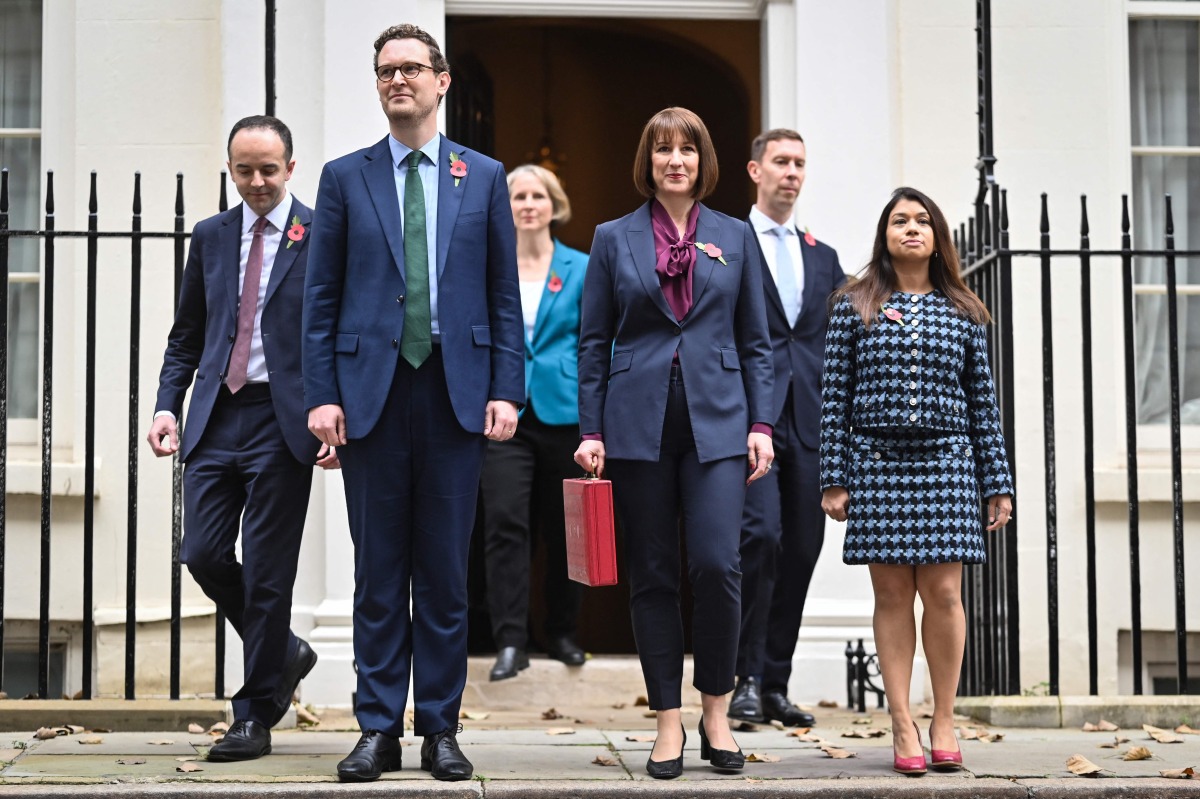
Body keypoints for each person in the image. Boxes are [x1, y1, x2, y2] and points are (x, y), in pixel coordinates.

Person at [303, 24, 524, 784]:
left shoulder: (483, 176)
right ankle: (375, 728)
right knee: (377, 571)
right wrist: (321, 396)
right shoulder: (343, 177)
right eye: (385, 71)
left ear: (441, 81)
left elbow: (503, 294)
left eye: (411, 69)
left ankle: (439, 728)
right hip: (371, 395)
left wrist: (506, 386)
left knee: (442, 571)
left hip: (457, 394)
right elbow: (321, 297)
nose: (398, 80)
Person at [574, 107, 775, 780]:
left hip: (720, 424)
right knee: (653, 573)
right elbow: (592, 342)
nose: (675, 160)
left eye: (687, 149)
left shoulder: (735, 237)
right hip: (636, 427)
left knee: (719, 564)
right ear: (648, 160)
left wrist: (762, 423)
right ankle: (666, 721)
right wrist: (591, 428)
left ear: (703, 159)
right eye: (662, 150)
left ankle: (715, 709)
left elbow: (756, 342)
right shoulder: (612, 237)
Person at [147, 115, 337, 762]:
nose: (256, 182)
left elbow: (338, 333)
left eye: (268, 169)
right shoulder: (210, 235)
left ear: (291, 166)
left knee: (268, 570)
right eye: (244, 170)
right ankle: (284, 652)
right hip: (215, 414)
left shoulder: (322, 234)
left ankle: (254, 712)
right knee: (201, 551)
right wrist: (166, 405)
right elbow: (187, 334)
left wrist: (337, 414)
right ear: (231, 169)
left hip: (285, 419)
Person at [819, 187, 1013, 776]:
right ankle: (902, 721)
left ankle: (944, 718)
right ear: (885, 234)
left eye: (922, 220)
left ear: (937, 237)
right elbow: (834, 399)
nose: (911, 228)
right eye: (900, 220)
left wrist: (996, 480)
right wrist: (834, 476)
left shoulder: (966, 310)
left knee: (945, 594)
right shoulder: (853, 305)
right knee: (893, 594)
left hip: (949, 463)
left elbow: (984, 402)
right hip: (876, 462)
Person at [728, 129, 846, 729]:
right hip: (750, 419)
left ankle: (775, 683)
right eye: (781, 161)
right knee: (761, 538)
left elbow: (840, 337)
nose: (792, 172)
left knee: (801, 550)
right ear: (755, 170)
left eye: (800, 163)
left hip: (811, 423)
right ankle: (743, 678)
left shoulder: (822, 255)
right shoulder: (726, 241)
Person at [481, 164, 587, 682]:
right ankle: (509, 641)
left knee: (567, 529)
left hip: (565, 412)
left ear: (554, 204)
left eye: (537, 195)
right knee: (505, 525)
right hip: (504, 413)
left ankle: (562, 633)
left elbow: (598, 342)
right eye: (518, 196)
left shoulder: (582, 267)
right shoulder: (488, 266)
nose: (527, 204)